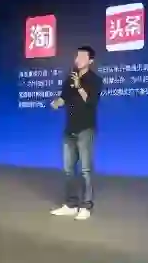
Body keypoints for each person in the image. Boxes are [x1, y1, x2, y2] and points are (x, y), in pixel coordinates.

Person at [49, 46, 103, 220]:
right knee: (68, 170)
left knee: (86, 171)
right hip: (69, 129)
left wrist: (79, 86)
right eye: (77, 56)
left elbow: (91, 102)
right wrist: (56, 103)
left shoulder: (95, 80)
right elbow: (63, 98)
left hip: (85, 129)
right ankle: (71, 205)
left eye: (82, 57)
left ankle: (86, 207)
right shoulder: (70, 78)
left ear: (90, 60)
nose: (78, 59)